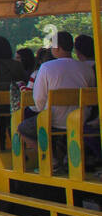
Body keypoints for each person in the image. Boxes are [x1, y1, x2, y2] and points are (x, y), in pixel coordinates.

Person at [18, 31, 96, 161]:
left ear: (57, 47)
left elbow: (39, 100)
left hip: (55, 119)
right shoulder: (86, 68)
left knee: (23, 128)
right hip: (82, 118)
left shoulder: (46, 67)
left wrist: (41, 110)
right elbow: (91, 94)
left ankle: (50, 159)